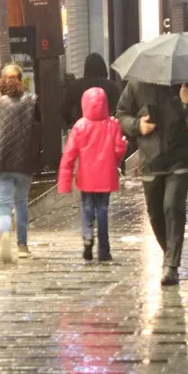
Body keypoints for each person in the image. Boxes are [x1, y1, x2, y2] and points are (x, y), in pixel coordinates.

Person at [116, 80, 188, 286]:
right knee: (155, 213)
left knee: (172, 205)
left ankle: (171, 265)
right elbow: (122, 114)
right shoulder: (137, 85)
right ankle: (170, 254)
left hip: (180, 159)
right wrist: (137, 125)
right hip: (151, 161)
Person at [58, 88, 127, 262]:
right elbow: (119, 149)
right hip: (106, 176)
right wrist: (120, 153)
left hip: (86, 177)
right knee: (103, 209)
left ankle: (88, 235)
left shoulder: (80, 126)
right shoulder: (113, 124)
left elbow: (69, 155)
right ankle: (104, 250)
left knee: (87, 207)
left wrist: (64, 183)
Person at [0, 64, 42, 263]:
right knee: (21, 203)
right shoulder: (31, 100)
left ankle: (6, 233)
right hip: (24, 162)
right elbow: (38, 132)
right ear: (21, 79)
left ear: (1, 79)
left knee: (3, 205)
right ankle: (22, 246)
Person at [61, 53, 121, 128]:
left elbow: (64, 110)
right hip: (106, 129)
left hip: (83, 129)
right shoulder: (112, 86)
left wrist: (73, 123)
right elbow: (119, 110)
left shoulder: (76, 85)